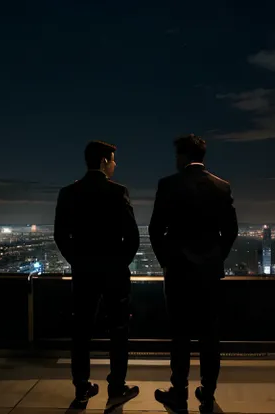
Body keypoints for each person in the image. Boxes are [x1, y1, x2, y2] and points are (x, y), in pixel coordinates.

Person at [149, 134, 238, 412]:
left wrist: (167, 260)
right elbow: (231, 231)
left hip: (178, 272)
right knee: (210, 335)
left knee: (180, 334)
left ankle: (179, 391)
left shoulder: (168, 185)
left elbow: (155, 230)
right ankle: (208, 392)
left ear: (182, 157)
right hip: (209, 273)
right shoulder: (221, 187)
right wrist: (215, 257)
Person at [54, 140, 140, 407]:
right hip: (114, 274)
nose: (115, 165)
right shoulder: (118, 192)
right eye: (113, 160)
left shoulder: (68, 193)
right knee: (118, 331)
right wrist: (118, 263)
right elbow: (133, 237)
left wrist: (78, 261)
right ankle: (116, 387)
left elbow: (60, 235)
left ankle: (81, 388)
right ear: (104, 161)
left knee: (80, 332)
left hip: (83, 273)